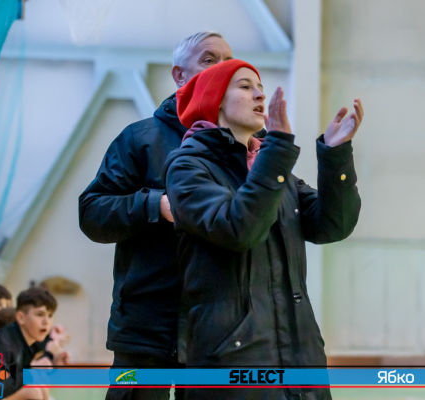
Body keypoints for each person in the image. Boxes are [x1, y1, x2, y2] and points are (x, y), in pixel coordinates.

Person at [164, 59, 363, 400]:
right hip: (232, 362)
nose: (259, 95)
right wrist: (278, 150)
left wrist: (335, 155)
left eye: (260, 88)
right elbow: (238, 229)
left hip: (301, 359)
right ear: (215, 100)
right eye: (245, 87)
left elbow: (332, 225)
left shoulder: (273, 168)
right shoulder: (188, 167)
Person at [78, 31, 236, 400]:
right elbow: (92, 212)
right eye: (209, 59)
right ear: (179, 75)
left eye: (228, 62)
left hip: (218, 338)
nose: (222, 68)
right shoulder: (139, 139)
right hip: (142, 336)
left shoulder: (248, 146)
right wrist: (155, 205)